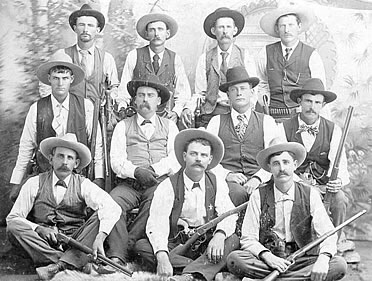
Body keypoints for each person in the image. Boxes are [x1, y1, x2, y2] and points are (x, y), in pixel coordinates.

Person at [226, 140, 347, 281]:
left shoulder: (310, 194)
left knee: (339, 265)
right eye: (276, 163)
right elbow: (248, 238)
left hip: (302, 259)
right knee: (235, 260)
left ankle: (278, 279)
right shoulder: (258, 195)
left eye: (286, 162)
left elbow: (328, 234)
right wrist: (268, 257)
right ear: (269, 168)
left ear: (295, 165)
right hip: (268, 261)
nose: (281, 168)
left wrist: (323, 259)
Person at [6, 133, 121, 281]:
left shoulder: (84, 184)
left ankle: (58, 265)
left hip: (76, 240)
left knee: (100, 216)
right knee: (14, 226)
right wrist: (38, 229)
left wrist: (100, 237)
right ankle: (74, 262)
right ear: (51, 159)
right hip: (44, 242)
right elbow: (13, 217)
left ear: (76, 163)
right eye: (60, 156)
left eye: (70, 158)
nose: (65, 162)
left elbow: (112, 207)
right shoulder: (33, 183)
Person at [135, 128, 239, 281]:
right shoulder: (167, 185)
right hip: (178, 243)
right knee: (142, 247)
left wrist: (219, 235)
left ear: (210, 160)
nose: (198, 159)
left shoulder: (217, 182)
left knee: (233, 239)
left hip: (207, 243)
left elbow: (229, 214)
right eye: (193, 154)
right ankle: (204, 270)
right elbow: (157, 223)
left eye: (203, 155)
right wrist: (163, 256)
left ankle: (188, 275)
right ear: (184, 156)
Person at [105, 75, 180, 266]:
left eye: (150, 95)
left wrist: (154, 170)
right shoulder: (123, 126)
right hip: (129, 184)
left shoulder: (170, 126)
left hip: (157, 183)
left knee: (158, 200)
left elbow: (176, 159)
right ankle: (117, 255)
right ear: (134, 100)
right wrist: (136, 171)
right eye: (141, 95)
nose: (145, 99)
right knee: (113, 202)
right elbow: (116, 161)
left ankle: (125, 248)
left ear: (159, 101)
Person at [9, 53, 104, 202]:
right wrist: (16, 181)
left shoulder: (86, 106)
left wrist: (98, 177)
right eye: (56, 78)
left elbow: (97, 146)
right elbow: (26, 147)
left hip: (77, 176)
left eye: (65, 78)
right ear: (49, 79)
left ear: (71, 79)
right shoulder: (37, 108)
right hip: (44, 176)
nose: (60, 83)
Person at [207, 66, 285, 207]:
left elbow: (276, 157)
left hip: (260, 179)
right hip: (229, 182)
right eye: (233, 90)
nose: (238, 93)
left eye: (243, 89)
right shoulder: (216, 122)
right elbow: (208, 158)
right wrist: (227, 175)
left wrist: (257, 178)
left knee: (266, 195)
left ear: (252, 92)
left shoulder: (267, 121)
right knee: (236, 193)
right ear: (228, 95)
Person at [279, 78, 349, 234]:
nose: (312, 107)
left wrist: (336, 182)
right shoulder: (283, 128)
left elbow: (340, 165)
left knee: (340, 200)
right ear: (300, 101)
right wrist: (305, 187)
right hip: (294, 185)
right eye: (308, 101)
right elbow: (280, 165)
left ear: (323, 105)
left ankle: (333, 246)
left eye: (317, 103)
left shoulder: (333, 130)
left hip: (324, 186)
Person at [117, 12, 191, 127]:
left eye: (160, 29)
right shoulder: (134, 55)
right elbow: (123, 89)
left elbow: (183, 92)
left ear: (167, 33)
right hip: (138, 115)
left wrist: (176, 112)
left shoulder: (175, 58)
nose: (156, 34)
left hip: (165, 117)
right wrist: (122, 108)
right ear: (146, 34)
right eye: (152, 30)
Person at [256, 4, 326, 121]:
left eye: (291, 25)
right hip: (272, 116)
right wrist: (265, 106)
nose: (287, 30)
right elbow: (261, 83)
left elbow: (319, 90)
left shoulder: (312, 55)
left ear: (299, 27)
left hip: (301, 116)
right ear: (277, 29)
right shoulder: (265, 52)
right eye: (282, 26)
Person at [190, 7, 258, 128]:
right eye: (221, 27)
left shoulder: (245, 56)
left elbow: (253, 91)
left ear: (235, 30)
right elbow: (200, 92)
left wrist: (246, 111)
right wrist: (188, 108)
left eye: (228, 27)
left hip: (239, 111)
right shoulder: (205, 58)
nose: (225, 31)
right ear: (213, 30)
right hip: (212, 113)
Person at [40, 4, 119, 105]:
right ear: (75, 28)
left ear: (97, 30)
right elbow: (46, 85)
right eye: (81, 25)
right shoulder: (62, 55)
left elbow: (114, 87)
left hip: (97, 115)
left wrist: (108, 99)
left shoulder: (107, 58)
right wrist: (55, 107)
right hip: (69, 114)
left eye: (90, 25)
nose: (85, 29)